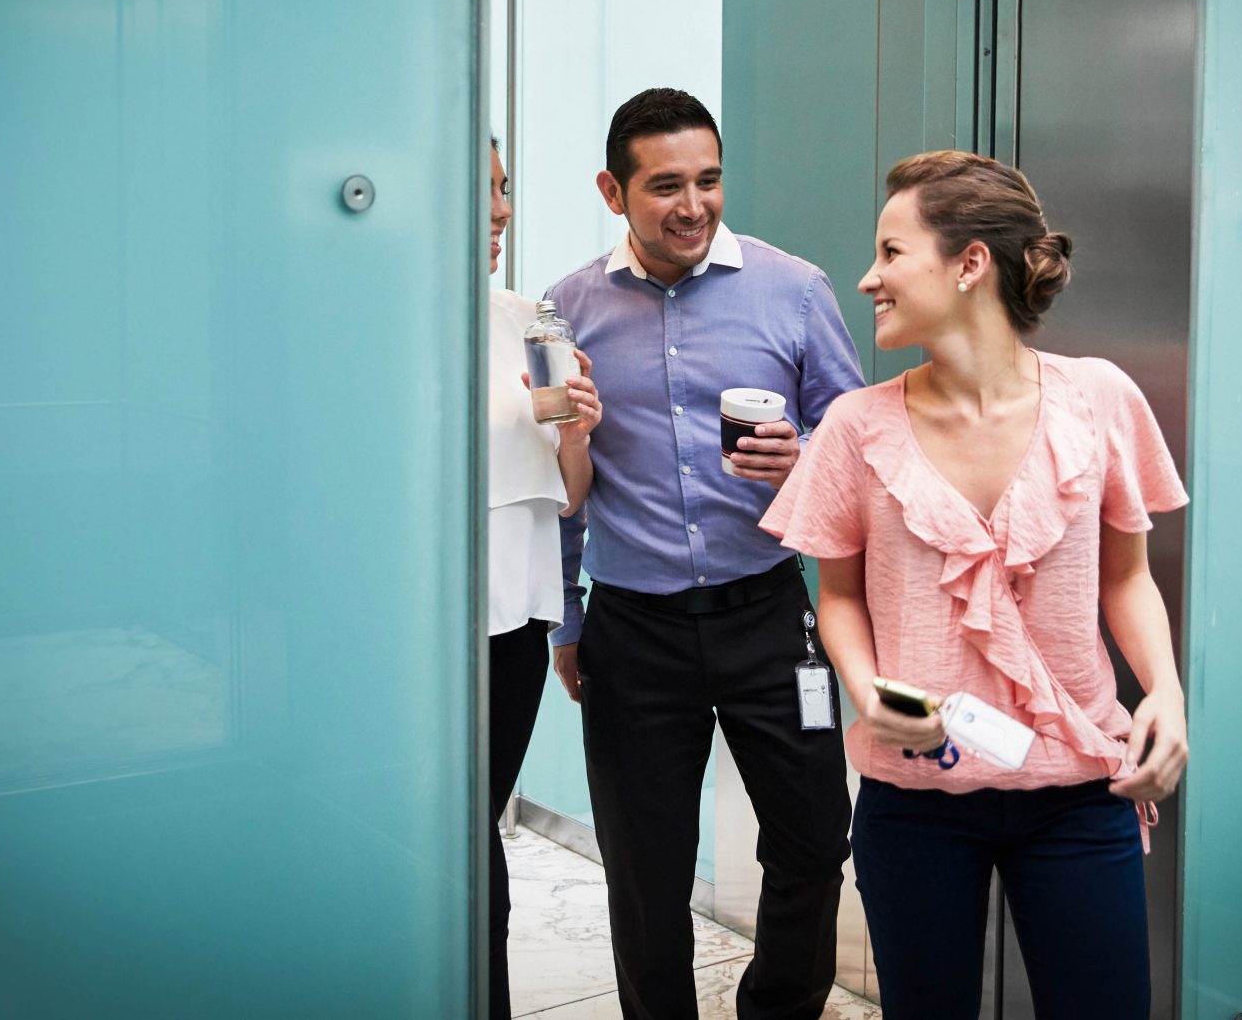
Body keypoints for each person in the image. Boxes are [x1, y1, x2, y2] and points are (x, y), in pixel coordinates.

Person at [760, 150, 1190, 1018]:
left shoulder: (1101, 399)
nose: (868, 277)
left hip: (1080, 792)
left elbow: (1129, 578)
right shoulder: (855, 427)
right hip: (916, 799)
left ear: (969, 264)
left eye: (890, 252)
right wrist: (865, 687)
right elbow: (836, 593)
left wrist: (1167, 696)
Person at [542, 88, 867, 1020]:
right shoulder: (566, 311)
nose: (693, 206)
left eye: (710, 180)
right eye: (666, 186)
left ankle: (778, 1006)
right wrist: (569, 618)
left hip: (770, 612)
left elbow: (857, 451)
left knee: (813, 837)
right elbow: (564, 480)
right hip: (633, 629)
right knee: (645, 869)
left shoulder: (793, 288)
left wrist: (801, 462)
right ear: (614, 190)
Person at [483, 138, 601, 1020]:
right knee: (442, 836)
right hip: (412, 624)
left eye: (504, 189)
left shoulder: (530, 317)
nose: (500, 212)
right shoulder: (366, 325)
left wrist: (575, 433)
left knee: (473, 824)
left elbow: (571, 495)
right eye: (480, 191)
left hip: (515, 619)